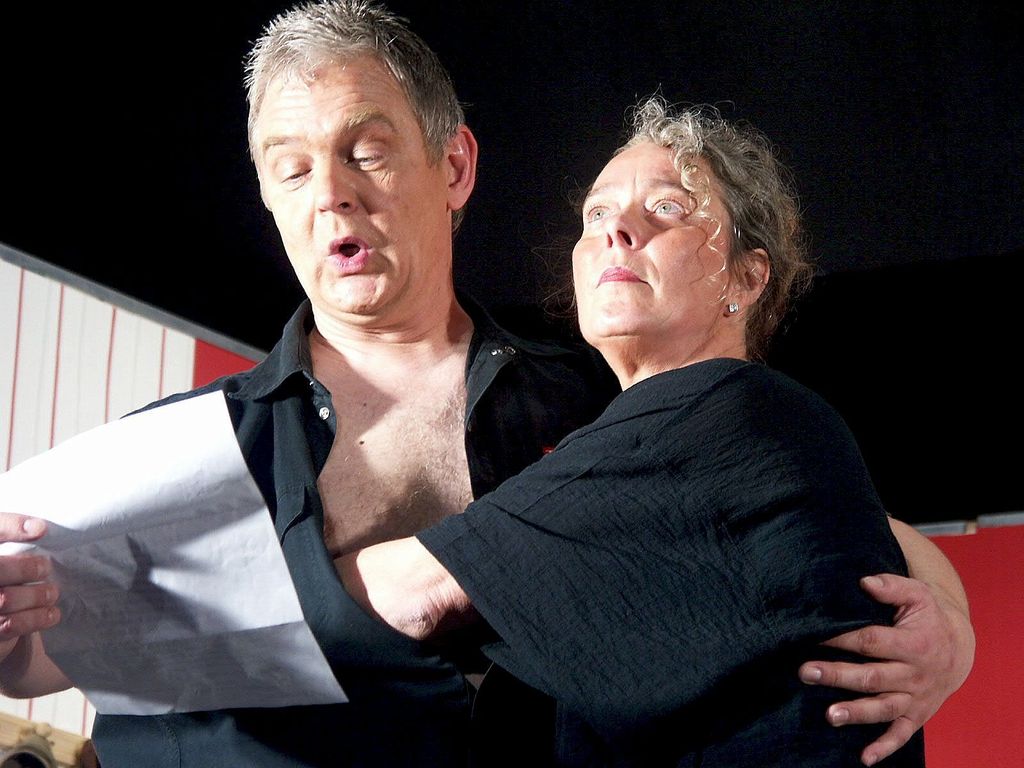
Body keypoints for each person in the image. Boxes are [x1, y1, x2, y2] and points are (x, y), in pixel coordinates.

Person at [0, 2, 972, 766]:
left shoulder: (603, 403)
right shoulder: (177, 449)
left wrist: (951, 636)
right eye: (290, 170)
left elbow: (846, 531)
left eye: (366, 151)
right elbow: (48, 653)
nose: (331, 193)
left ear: (454, 165)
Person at [335, 97, 940, 766]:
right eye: (596, 214)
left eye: (668, 208)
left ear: (747, 277)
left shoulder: (722, 411)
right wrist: (952, 619)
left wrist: (251, 582)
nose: (617, 229)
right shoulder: (755, 438)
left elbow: (416, 595)